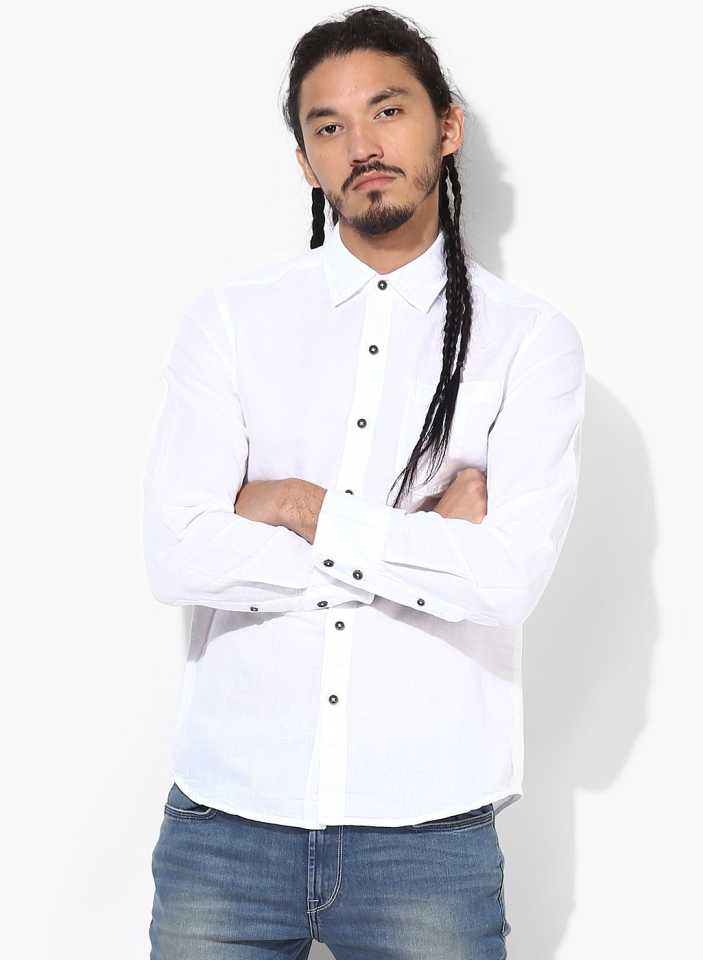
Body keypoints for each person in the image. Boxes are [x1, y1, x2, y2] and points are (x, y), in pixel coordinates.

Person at [144, 7, 586, 958]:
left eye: (387, 111)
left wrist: (297, 508)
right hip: (226, 822)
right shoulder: (231, 322)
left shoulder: (527, 342)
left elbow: (505, 580)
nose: (361, 146)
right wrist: (423, 545)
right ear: (306, 162)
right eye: (328, 126)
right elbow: (179, 554)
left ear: (445, 126)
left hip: (427, 833)